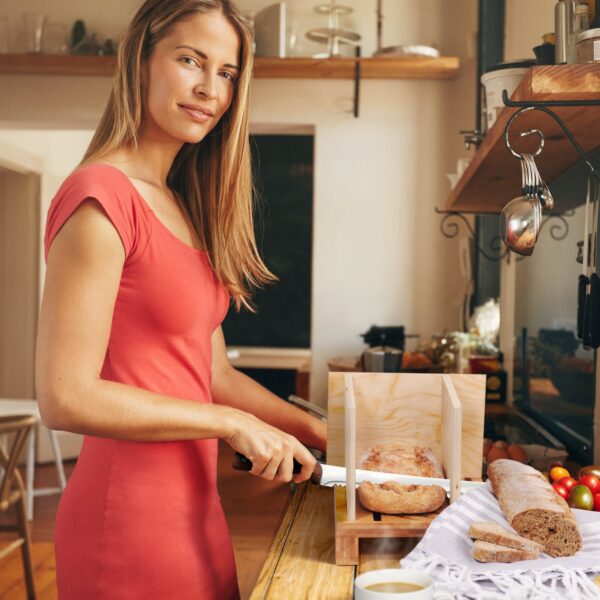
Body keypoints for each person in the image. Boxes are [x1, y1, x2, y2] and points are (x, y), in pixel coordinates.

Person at [34, 1, 326, 598]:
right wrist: (231, 425)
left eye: (226, 73)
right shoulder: (99, 199)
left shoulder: (178, 202)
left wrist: (324, 434)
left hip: (194, 513)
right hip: (126, 525)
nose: (208, 90)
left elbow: (210, 371)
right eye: (190, 60)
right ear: (140, 59)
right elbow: (64, 396)